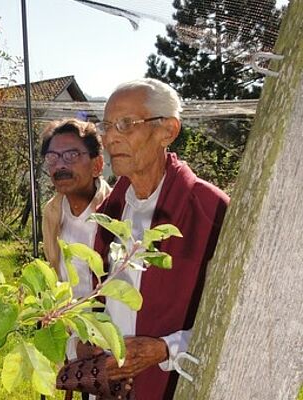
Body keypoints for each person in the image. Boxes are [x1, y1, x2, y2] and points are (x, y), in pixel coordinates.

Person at [88, 78, 229, 399]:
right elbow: (100, 298)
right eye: (106, 126)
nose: (110, 138)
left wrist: (166, 349)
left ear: (168, 130)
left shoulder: (208, 209)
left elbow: (242, 316)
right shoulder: (111, 209)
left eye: (125, 124)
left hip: (178, 384)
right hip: (113, 387)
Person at [41, 118, 110, 300]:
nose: (60, 165)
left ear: (97, 165)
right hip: (67, 322)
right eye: (52, 157)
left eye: (72, 155)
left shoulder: (115, 210)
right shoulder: (52, 212)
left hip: (108, 325)